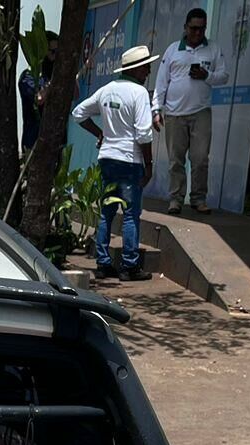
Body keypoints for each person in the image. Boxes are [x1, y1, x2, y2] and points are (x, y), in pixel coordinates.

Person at [72, 44, 158, 282]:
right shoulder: (139, 93)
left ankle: (103, 263)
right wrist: (148, 164)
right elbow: (144, 134)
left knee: (107, 212)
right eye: (146, 67)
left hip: (107, 159)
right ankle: (130, 266)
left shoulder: (107, 90)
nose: (149, 71)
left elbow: (79, 113)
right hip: (130, 161)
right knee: (131, 214)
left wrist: (100, 133)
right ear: (137, 69)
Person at [152, 7, 228, 215]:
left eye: (201, 29)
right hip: (175, 113)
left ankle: (198, 199)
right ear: (185, 27)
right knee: (176, 160)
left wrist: (207, 75)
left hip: (201, 111)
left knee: (201, 157)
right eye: (193, 28)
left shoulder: (213, 48)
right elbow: (161, 83)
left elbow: (224, 76)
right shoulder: (173, 50)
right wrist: (156, 109)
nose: (197, 33)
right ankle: (175, 199)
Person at [18, 33, 59, 152]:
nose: (55, 57)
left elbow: (75, 95)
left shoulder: (53, 73)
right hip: (34, 139)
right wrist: (52, 83)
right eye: (52, 52)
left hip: (56, 139)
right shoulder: (28, 76)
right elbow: (39, 100)